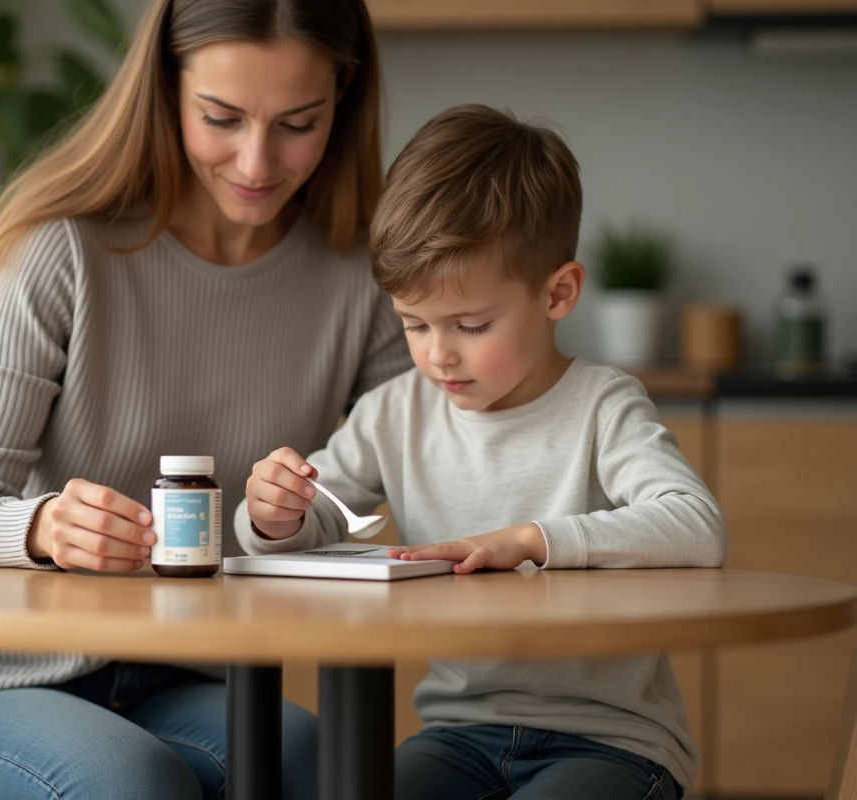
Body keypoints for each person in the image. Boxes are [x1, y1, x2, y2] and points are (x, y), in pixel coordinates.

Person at [0, 1, 412, 798]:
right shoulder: (64, 250)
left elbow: (424, 458)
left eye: (299, 122)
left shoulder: (358, 278)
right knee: (134, 781)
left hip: (177, 681)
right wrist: (44, 526)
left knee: (318, 767)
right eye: (221, 117)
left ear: (345, 102)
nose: (257, 161)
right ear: (164, 91)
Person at [239, 104, 727, 800]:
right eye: (414, 323)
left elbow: (697, 524)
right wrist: (273, 515)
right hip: (460, 736)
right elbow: (310, 524)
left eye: (471, 324)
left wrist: (531, 540)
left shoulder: (602, 406)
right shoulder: (392, 413)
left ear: (557, 293)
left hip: (614, 743)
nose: (438, 353)